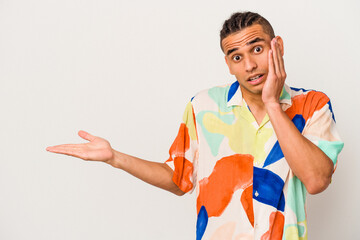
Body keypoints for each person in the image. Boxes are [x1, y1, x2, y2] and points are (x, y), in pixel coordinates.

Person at [46, 11, 344, 240]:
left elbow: (317, 180)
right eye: (236, 56)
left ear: (276, 47)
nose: (249, 66)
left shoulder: (312, 105)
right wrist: (115, 158)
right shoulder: (203, 107)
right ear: (227, 63)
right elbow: (179, 180)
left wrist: (272, 105)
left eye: (256, 49)